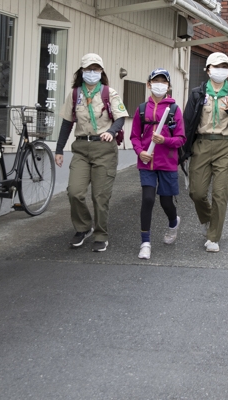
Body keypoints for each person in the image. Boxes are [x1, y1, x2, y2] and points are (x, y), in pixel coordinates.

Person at [181, 52, 228, 253]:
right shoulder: (198, 94)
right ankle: (208, 218)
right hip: (202, 145)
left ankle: (213, 237)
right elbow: (187, 123)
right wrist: (183, 150)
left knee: (220, 193)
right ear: (208, 70)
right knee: (196, 192)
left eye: (224, 66)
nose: (220, 70)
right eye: (216, 66)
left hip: (225, 145)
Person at [55, 53, 129, 252]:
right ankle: (83, 228)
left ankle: (101, 234)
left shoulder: (109, 93)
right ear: (81, 71)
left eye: (95, 69)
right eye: (88, 69)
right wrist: (59, 149)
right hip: (81, 148)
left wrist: (111, 132)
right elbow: (66, 123)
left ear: (101, 72)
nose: (92, 73)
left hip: (104, 149)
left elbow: (121, 117)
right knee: (74, 192)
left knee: (100, 196)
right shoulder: (74, 94)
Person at [130, 68, 186, 260]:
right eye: (156, 81)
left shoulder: (174, 110)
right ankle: (145, 242)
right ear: (149, 84)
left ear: (169, 86)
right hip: (147, 162)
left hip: (167, 162)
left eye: (163, 82)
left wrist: (164, 141)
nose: (159, 85)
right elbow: (135, 136)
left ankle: (173, 223)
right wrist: (141, 152)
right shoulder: (141, 109)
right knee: (147, 199)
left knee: (166, 201)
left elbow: (180, 139)